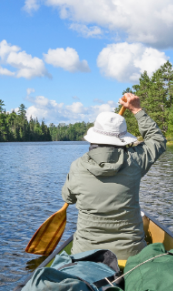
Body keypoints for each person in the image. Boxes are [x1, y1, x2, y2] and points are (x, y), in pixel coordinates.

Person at [61, 93, 166, 260]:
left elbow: (68, 197)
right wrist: (137, 110)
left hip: (85, 254)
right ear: (123, 139)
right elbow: (157, 141)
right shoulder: (135, 161)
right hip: (130, 255)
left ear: (94, 138)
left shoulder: (77, 166)